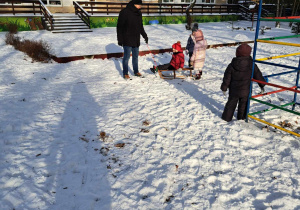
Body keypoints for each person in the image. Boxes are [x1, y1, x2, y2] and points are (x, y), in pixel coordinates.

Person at [220, 43, 265, 122]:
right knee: (243, 105)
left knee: (231, 104)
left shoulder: (232, 65)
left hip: (234, 91)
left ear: (237, 53)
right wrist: (262, 84)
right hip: (246, 90)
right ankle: (241, 118)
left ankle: (226, 118)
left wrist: (224, 88)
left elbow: (227, 78)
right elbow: (258, 75)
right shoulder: (252, 64)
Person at [117, 0, 148, 79]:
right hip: (127, 38)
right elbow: (119, 27)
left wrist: (145, 35)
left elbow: (140, 26)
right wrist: (120, 39)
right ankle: (125, 73)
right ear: (134, 4)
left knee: (135, 57)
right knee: (126, 57)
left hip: (136, 38)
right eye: (139, 4)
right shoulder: (125, 12)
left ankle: (136, 71)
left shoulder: (138, 13)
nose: (140, 6)